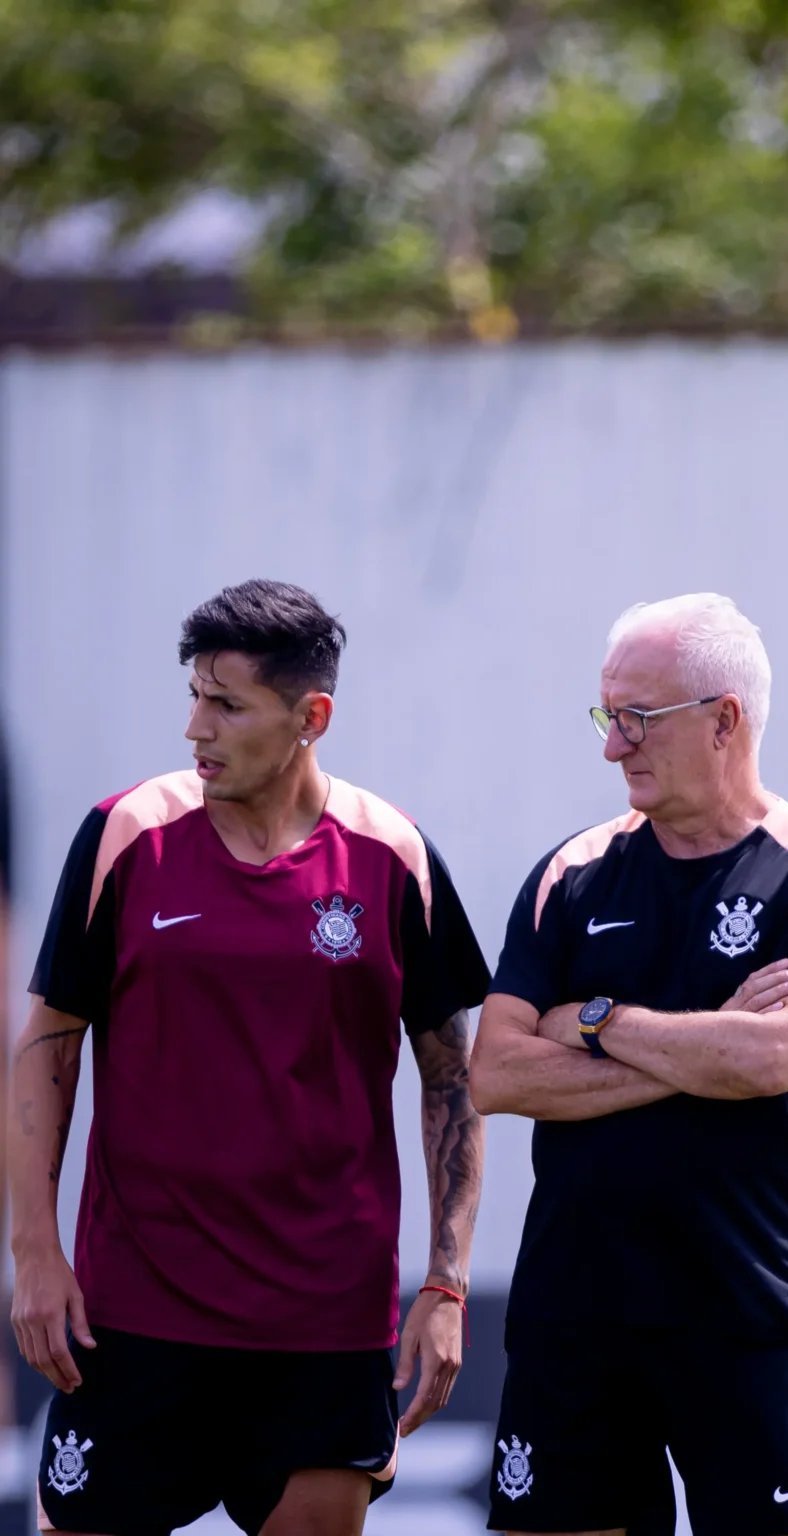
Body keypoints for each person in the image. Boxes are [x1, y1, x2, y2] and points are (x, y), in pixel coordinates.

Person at [11, 579, 491, 1536]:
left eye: (227, 704)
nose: (196, 727)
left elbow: (452, 1079)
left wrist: (445, 1285)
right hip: (132, 1315)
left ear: (311, 718)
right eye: (195, 695)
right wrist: (33, 1252)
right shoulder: (125, 837)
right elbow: (47, 1047)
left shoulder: (393, 856)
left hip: (325, 1325)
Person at [471, 592, 788, 1536]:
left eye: (637, 718)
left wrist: (594, 1019)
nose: (613, 747)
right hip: (572, 1314)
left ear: (724, 719)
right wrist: (701, 1047)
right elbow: (495, 1075)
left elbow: (773, 1056)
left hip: (745, 1313)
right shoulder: (571, 874)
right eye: (606, 716)